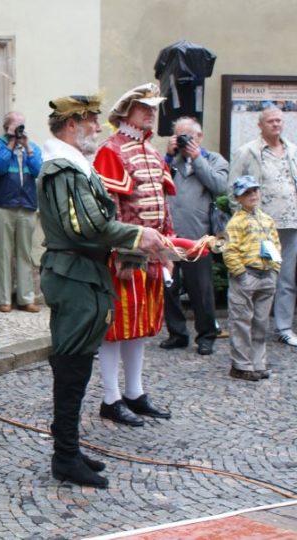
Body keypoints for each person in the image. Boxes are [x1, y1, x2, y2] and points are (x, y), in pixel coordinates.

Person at [38, 94, 167, 489]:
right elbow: (87, 227)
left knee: (77, 361)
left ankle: (70, 450)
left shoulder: (75, 166)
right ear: (72, 125)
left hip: (84, 270)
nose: (98, 127)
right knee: (72, 363)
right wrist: (137, 234)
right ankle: (65, 456)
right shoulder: (63, 168)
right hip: (73, 272)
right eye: (91, 121)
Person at [92, 83, 174, 427]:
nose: (151, 113)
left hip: (153, 254)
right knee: (116, 326)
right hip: (125, 256)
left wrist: (169, 246)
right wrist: (125, 254)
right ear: (126, 112)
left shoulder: (152, 153)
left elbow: (163, 204)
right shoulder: (111, 151)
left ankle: (135, 392)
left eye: (153, 108)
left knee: (140, 326)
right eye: (144, 108)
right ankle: (110, 398)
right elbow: (111, 209)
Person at [160, 117, 229, 356]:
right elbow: (155, 182)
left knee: (200, 289)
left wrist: (197, 158)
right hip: (169, 233)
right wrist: (168, 156)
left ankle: (207, 335)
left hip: (197, 234)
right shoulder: (170, 161)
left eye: (187, 136)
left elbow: (219, 186)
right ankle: (177, 334)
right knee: (169, 287)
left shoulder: (213, 160)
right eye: (179, 136)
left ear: (199, 137)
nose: (183, 140)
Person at [229, 106, 297, 347]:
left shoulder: (292, 151)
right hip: (261, 228)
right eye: (271, 121)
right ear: (261, 125)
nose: (276, 124)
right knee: (256, 276)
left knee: (286, 279)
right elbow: (232, 189)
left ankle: (284, 327)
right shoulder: (248, 152)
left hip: (291, 224)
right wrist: (243, 221)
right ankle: (253, 327)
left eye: (279, 120)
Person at [223, 176, 281, 381]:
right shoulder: (236, 222)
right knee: (241, 321)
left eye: (255, 190)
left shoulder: (267, 219)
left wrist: (275, 267)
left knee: (261, 322)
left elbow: (275, 243)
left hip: (266, 275)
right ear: (238, 198)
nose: (253, 195)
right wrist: (240, 273)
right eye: (247, 192)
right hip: (246, 275)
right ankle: (241, 364)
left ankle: (258, 363)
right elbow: (230, 250)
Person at [0, 111, 43, 313]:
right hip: (3, 205)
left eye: (22, 125)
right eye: (16, 126)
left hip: (26, 205)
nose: (20, 130)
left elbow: (38, 171)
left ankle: (26, 298)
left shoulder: (31, 146)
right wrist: (10, 144)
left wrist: (27, 146)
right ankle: (4, 299)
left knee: (25, 254)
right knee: (3, 253)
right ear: (6, 126)